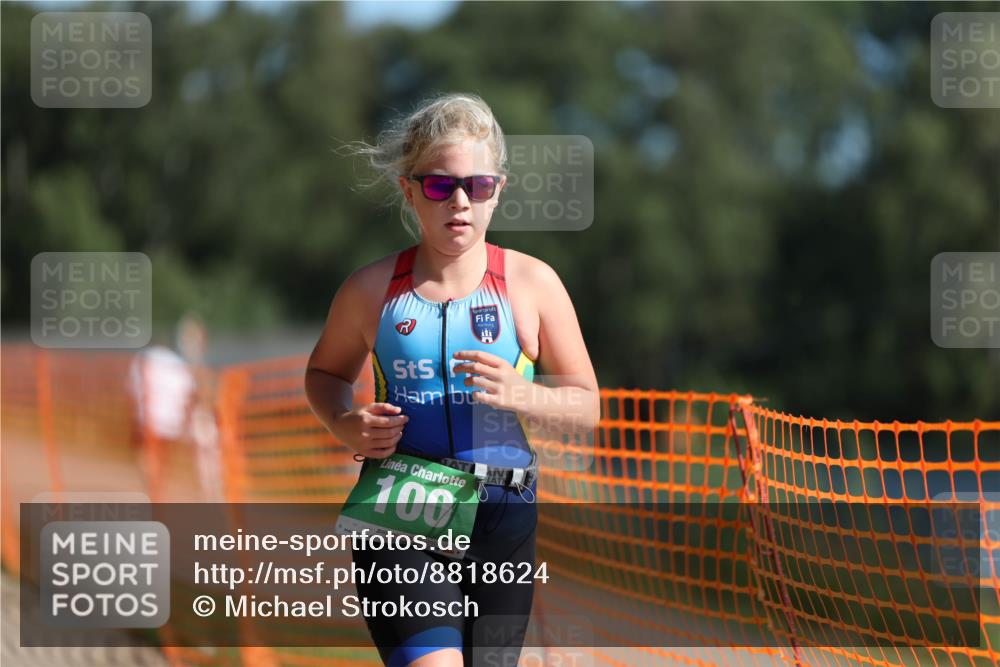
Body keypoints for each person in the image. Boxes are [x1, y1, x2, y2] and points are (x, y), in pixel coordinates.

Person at [305, 92, 599, 667]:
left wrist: (524, 395)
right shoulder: (370, 290)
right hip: (401, 509)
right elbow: (324, 373)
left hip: (502, 512)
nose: (460, 201)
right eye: (440, 186)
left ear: (498, 191)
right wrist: (343, 422)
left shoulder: (533, 285)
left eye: (478, 186)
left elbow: (587, 406)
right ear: (409, 189)